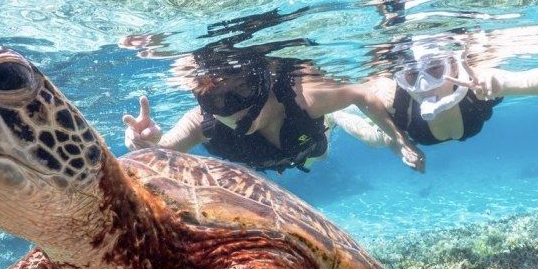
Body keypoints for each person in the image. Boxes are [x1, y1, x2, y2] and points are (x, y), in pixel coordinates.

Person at [122, 44, 425, 173]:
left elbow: (363, 95)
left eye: (242, 90)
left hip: (312, 145)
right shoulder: (203, 123)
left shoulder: (304, 100)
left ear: (264, 84)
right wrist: (144, 143)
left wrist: (400, 142)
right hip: (281, 155)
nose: (232, 110)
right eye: (216, 100)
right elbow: (163, 150)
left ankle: (343, 121)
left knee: (326, 147)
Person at [327, 41, 538, 167]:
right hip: (412, 131)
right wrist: (401, 148)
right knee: (374, 139)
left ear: (454, 64)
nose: (424, 85)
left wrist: (499, 84)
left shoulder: (477, 83)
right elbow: (357, 95)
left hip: (449, 123)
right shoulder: (396, 98)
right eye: (411, 76)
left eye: (435, 70)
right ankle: (335, 116)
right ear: (400, 77)